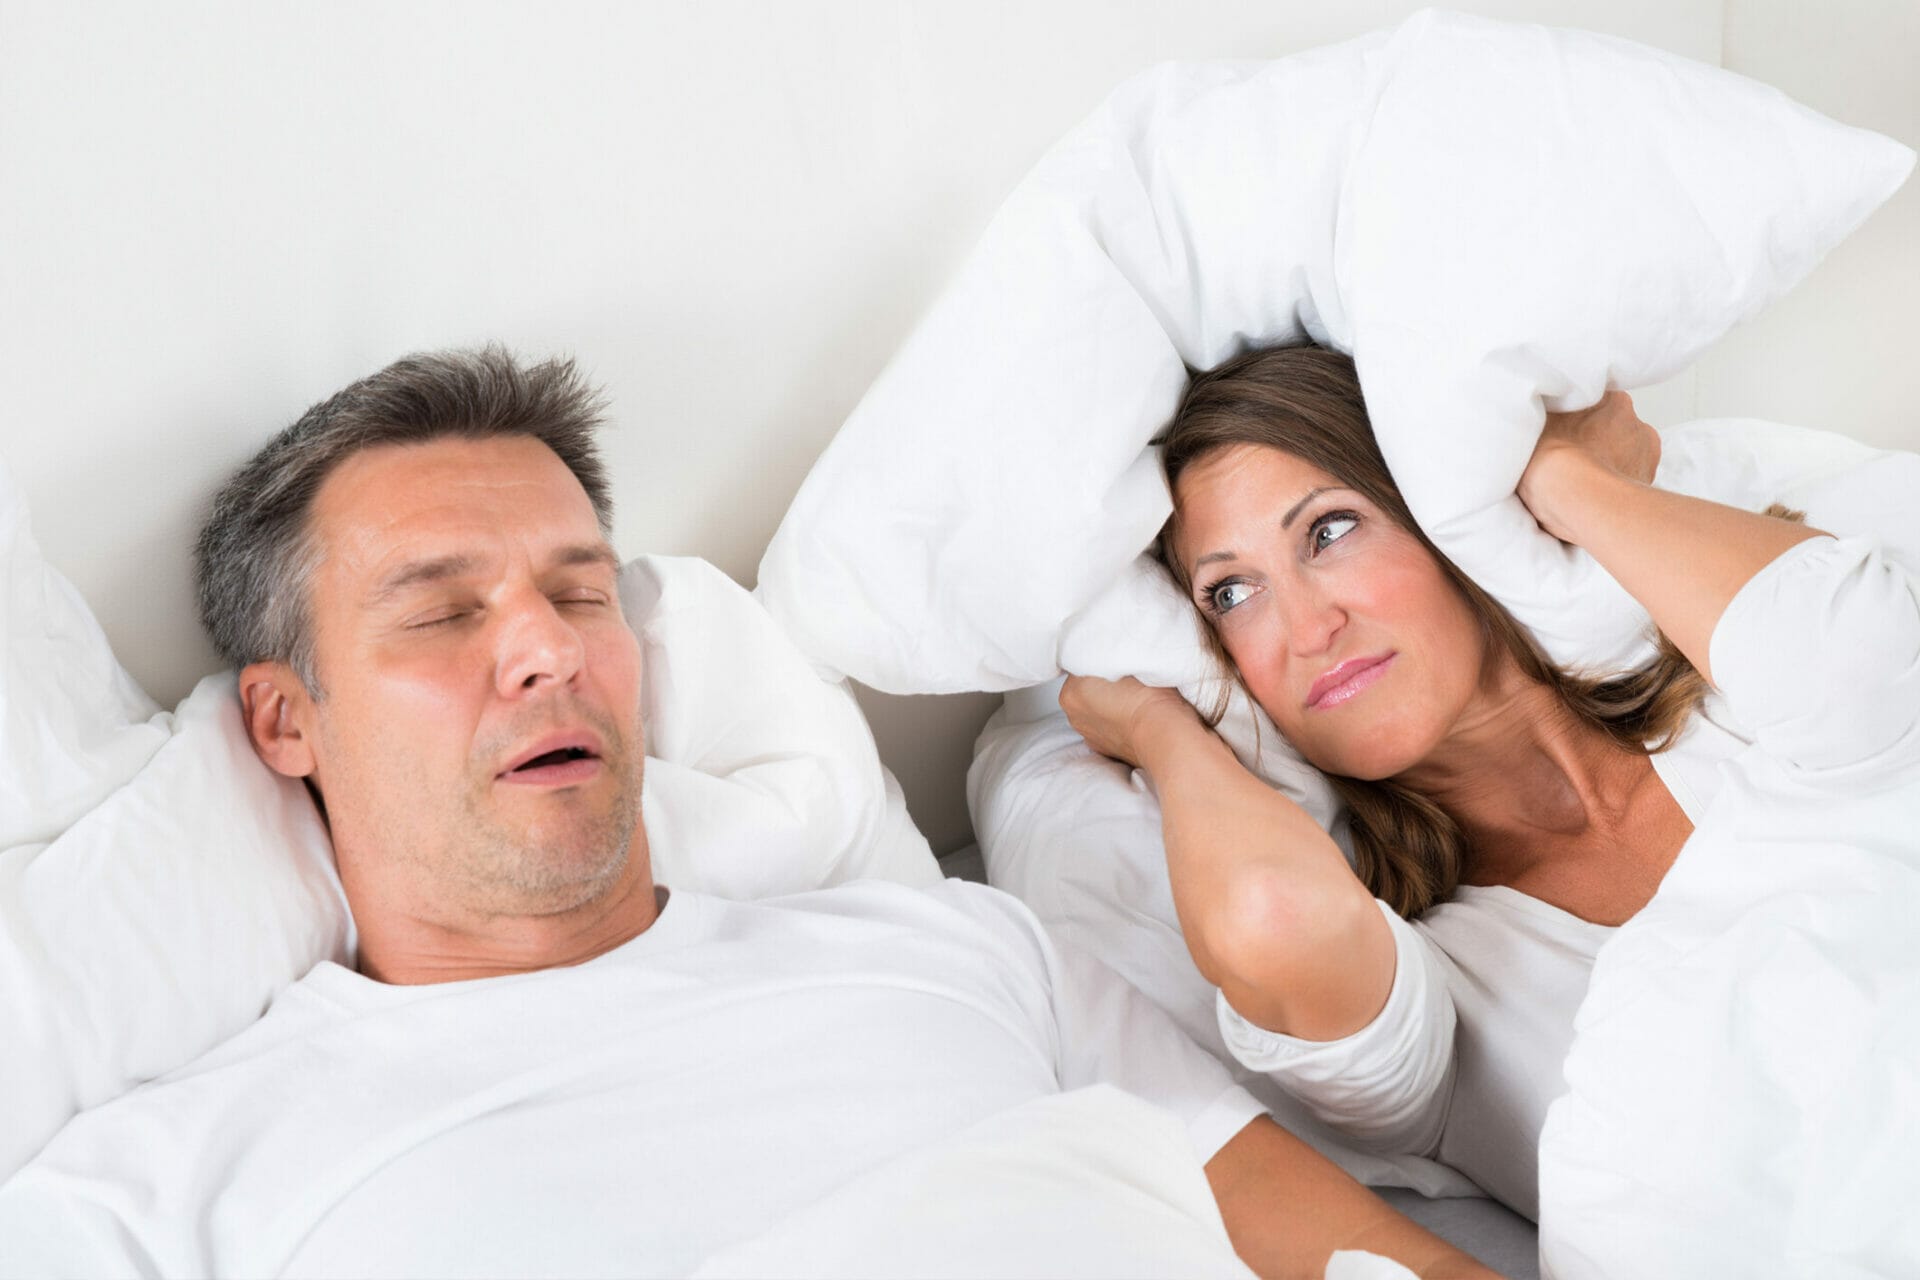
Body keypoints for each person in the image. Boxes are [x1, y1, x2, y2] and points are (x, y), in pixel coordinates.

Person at [0, 347, 1491, 1279]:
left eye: (580, 592)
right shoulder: (157, 1194)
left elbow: (1361, 1258)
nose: (547, 647)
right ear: (286, 721)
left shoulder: (970, 957)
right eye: (442, 614)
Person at [1059, 343, 1920, 1219]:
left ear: (1441, 520)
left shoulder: (1741, 694)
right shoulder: (1430, 983)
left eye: (1329, 530)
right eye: (1232, 595)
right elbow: (1270, 917)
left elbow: (1873, 666)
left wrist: (1557, 476)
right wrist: (1165, 731)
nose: (1308, 629)